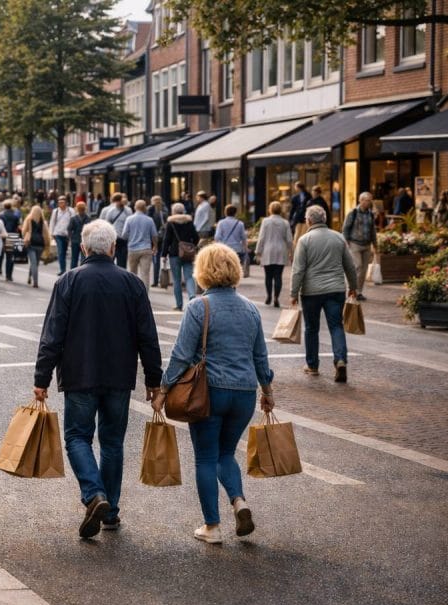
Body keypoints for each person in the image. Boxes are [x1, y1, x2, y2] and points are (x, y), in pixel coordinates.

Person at [33, 220, 162, 538]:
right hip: (119, 375)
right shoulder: (133, 284)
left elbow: (53, 334)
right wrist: (154, 380)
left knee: (77, 438)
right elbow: (148, 337)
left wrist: (42, 377)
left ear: (82, 248)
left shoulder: (69, 281)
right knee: (113, 442)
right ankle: (111, 512)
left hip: (79, 374)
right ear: (115, 248)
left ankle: (94, 494)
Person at [152, 243, 274, 544]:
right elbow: (260, 356)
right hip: (244, 393)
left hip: (209, 391)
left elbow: (182, 356)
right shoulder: (250, 308)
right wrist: (267, 391)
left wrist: (164, 389)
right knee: (225, 453)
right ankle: (238, 501)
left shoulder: (198, 307)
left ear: (202, 272)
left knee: (205, 457)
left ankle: (212, 526)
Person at [290, 205, 358, 382]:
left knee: (312, 328)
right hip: (336, 289)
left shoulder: (305, 240)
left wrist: (293, 292)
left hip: (311, 292)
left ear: (309, 220)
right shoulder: (338, 238)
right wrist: (353, 286)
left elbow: (298, 269)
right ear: (325, 219)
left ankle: (312, 365)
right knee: (336, 326)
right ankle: (340, 359)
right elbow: (350, 266)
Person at [342, 192, 379, 302]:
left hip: (366, 245)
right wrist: (346, 243)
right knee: (357, 267)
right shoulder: (352, 213)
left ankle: (359, 292)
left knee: (363, 270)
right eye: (367, 200)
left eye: (370, 200)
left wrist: (375, 245)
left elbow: (373, 230)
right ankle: (352, 289)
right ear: (360, 200)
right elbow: (345, 229)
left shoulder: (370, 214)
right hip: (354, 244)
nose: (369, 202)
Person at [254, 201, 292, 307]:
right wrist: (291, 252)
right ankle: (276, 297)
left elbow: (261, 238)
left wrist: (258, 252)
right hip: (281, 251)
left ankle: (269, 296)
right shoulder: (285, 223)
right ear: (280, 210)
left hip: (268, 250)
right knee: (278, 276)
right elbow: (289, 240)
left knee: (268, 276)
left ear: (270, 209)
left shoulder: (266, 221)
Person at [162, 203, 199, 311]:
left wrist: (164, 254)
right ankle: (192, 297)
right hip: (187, 253)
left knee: (176, 280)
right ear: (183, 211)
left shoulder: (171, 223)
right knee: (189, 276)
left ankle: (179, 305)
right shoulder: (189, 222)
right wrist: (191, 246)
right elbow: (196, 237)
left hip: (174, 254)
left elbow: (167, 240)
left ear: (173, 211)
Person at [124, 200, 158, 284]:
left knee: (132, 273)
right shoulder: (149, 220)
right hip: (146, 248)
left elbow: (124, 234)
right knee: (145, 274)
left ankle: (133, 293)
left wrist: (131, 237)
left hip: (132, 248)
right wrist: (155, 246)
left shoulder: (129, 219)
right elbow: (154, 235)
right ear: (144, 208)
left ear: (135, 207)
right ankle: (145, 294)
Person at [21, 205, 49, 288]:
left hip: (31, 243)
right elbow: (46, 234)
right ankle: (32, 278)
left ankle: (34, 281)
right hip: (40, 244)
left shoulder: (29, 220)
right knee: (35, 263)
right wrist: (47, 244)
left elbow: (23, 232)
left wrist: (26, 236)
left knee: (33, 263)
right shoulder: (43, 222)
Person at [102, 193, 130, 268]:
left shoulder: (128, 211)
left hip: (124, 239)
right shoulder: (111, 211)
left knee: (122, 262)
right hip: (113, 239)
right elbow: (107, 224)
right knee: (110, 260)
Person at [147, 196, 169, 287]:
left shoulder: (150, 210)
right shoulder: (165, 210)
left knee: (155, 259)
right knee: (162, 258)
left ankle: (155, 280)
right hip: (163, 237)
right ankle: (163, 279)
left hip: (153, 238)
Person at [49, 195, 73, 274]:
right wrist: (51, 233)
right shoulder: (55, 211)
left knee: (64, 251)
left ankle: (64, 268)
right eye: (59, 202)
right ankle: (62, 270)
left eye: (62, 202)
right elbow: (52, 222)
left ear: (66, 203)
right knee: (60, 252)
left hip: (66, 235)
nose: (61, 204)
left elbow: (73, 222)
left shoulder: (71, 211)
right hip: (58, 234)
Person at [0, 200, 22, 282]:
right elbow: (17, 227)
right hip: (12, 236)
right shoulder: (15, 216)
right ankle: (9, 275)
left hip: (3, 236)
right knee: (10, 257)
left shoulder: (1, 215)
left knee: (0, 255)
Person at [67, 201, 90, 269]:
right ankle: (80, 271)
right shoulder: (74, 218)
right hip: (77, 240)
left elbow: (69, 229)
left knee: (78, 258)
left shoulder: (87, 218)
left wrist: (70, 237)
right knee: (77, 258)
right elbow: (69, 229)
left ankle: (76, 271)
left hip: (83, 241)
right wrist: (71, 237)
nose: (81, 210)